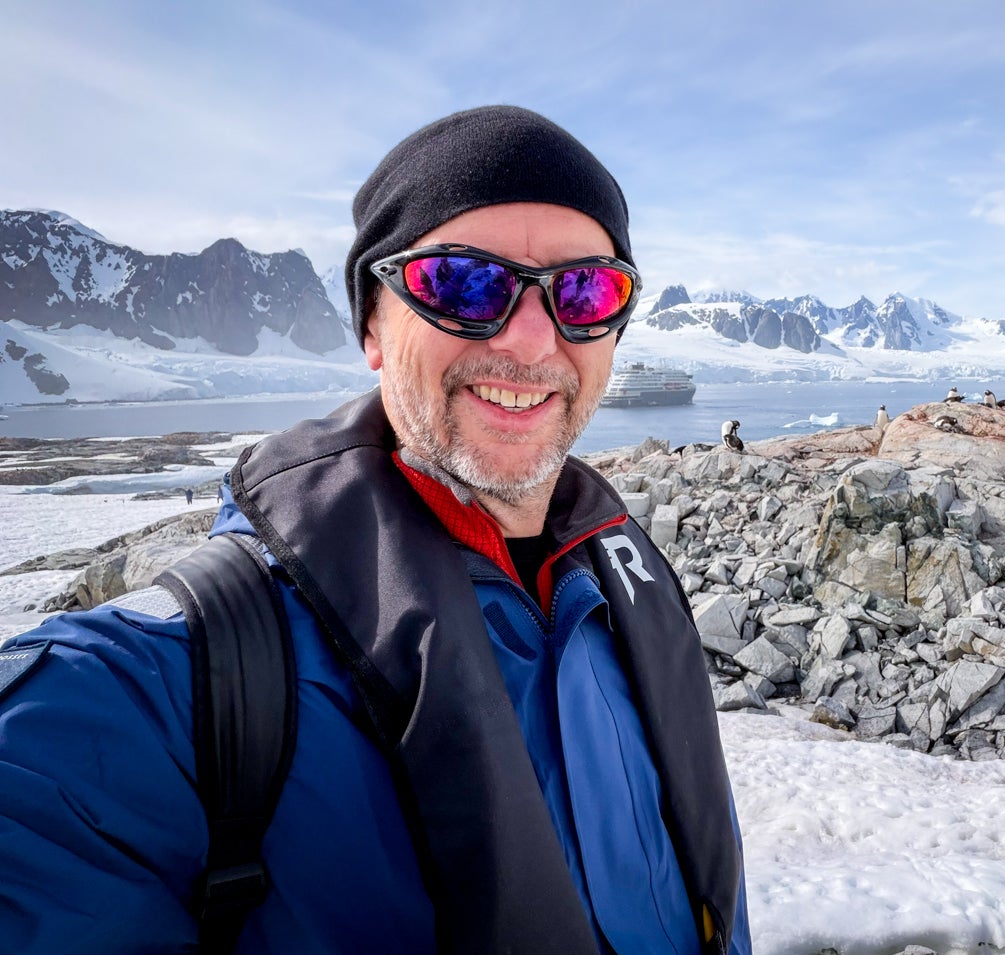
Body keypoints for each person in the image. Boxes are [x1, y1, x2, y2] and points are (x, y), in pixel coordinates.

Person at [0, 106, 751, 954]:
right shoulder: (203, 678)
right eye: (464, 284)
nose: (535, 339)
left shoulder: (626, 586)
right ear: (370, 325)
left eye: (586, 292)